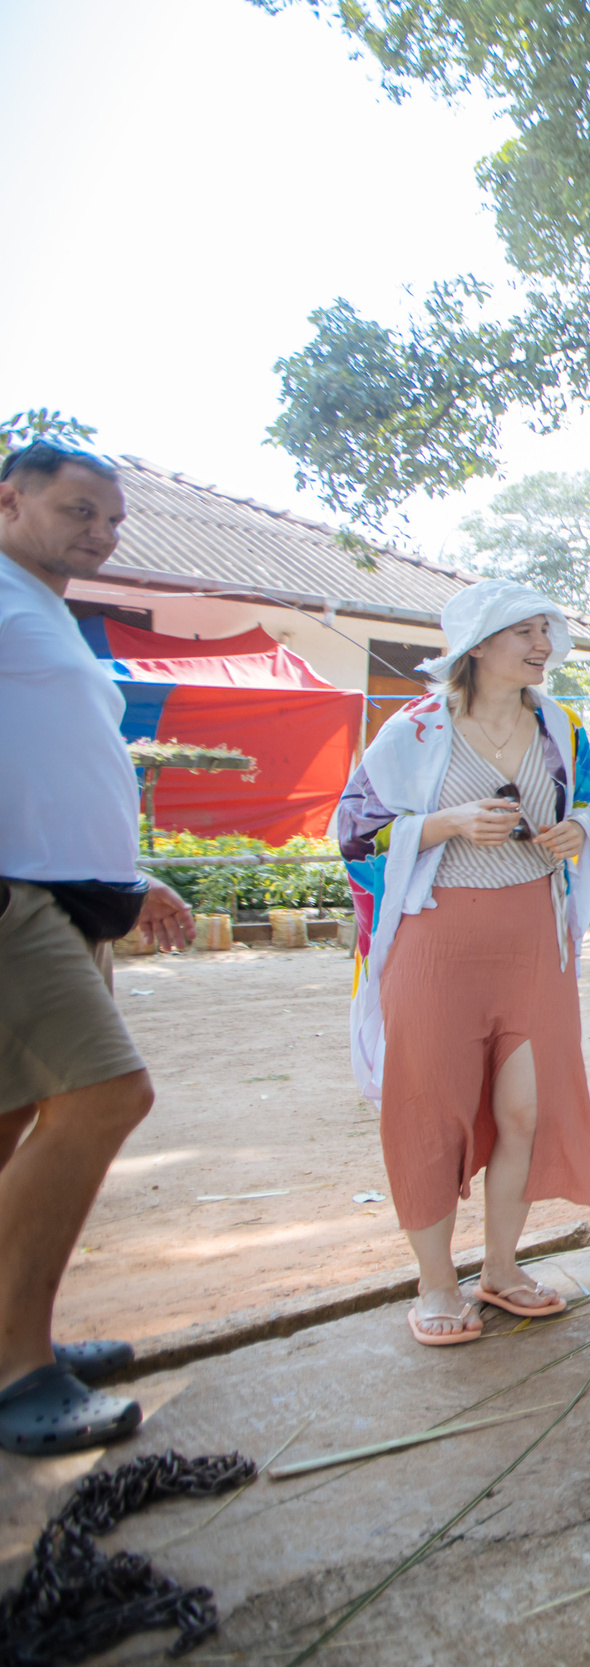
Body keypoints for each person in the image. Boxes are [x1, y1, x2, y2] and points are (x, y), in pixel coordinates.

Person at [335, 579, 590, 1346]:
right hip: (437, 940)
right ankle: (434, 1283)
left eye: (545, 631)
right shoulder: (415, 731)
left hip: (533, 940)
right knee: (431, 1108)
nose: (542, 646)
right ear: (476, 647)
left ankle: (501, 1268)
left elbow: (582, 808)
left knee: (526, 1107)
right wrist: (445, 823)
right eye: (523, 632)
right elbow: (354, 835)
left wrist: (574, 836)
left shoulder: (563, 727)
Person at [0, 442, 195, 1452]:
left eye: (112, 519)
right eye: (80, 510)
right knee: (108, 1092)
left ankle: (14, 1335)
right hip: (14, 898)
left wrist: (126, 881)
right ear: (9, 500)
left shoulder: (42, 612)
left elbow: (53, 765)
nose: (101, 533)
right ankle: (17, 1368)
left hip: (71, 900)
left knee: (15, 1116)